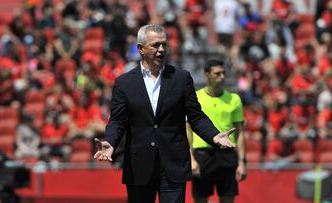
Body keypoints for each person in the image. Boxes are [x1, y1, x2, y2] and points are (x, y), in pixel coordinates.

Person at [93, 24, 236, 203]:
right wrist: (110, 142)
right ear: (141, 49)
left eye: (164, 45)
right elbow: (117, 121)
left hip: (174, 163)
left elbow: (195, 116)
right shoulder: (124, 83)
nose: (161, 50)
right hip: (139, 166)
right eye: (155, 45)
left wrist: (214, 136)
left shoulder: (181, 78)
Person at [186, 58, 247, 203]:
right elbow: (188, 130)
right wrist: (191, 158)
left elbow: (239, 133)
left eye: (224, 73)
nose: (222, 77)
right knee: (200, 199)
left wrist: (242, 162)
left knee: (227, 198)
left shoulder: (234, 99)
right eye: (217, 73)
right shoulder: (196, 98)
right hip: (203, 155)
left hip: (227, 154)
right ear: (207, 74)